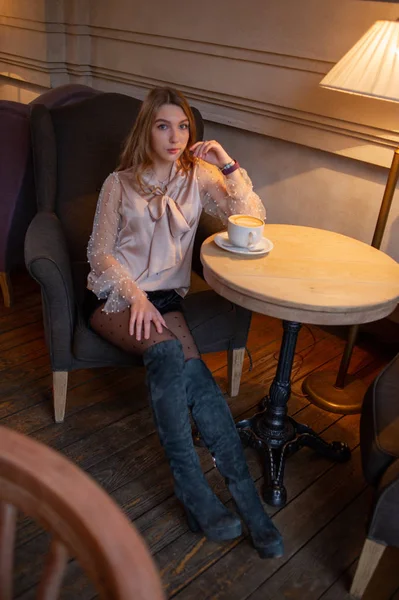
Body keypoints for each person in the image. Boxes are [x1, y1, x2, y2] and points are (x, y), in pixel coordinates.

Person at [86, 86, 283, 558]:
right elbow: (99, 253)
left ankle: (247, 504)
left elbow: (250, 216)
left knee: (196, 376)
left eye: (183, 127)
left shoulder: (201, 175)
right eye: (163, 125)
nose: (174, 136)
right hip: (116, 298)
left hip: (167, 300)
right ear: (146, 129)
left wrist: (228, 161)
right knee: (167, 351)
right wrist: (135, 298)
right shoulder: (119, 182)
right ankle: (193, 490)